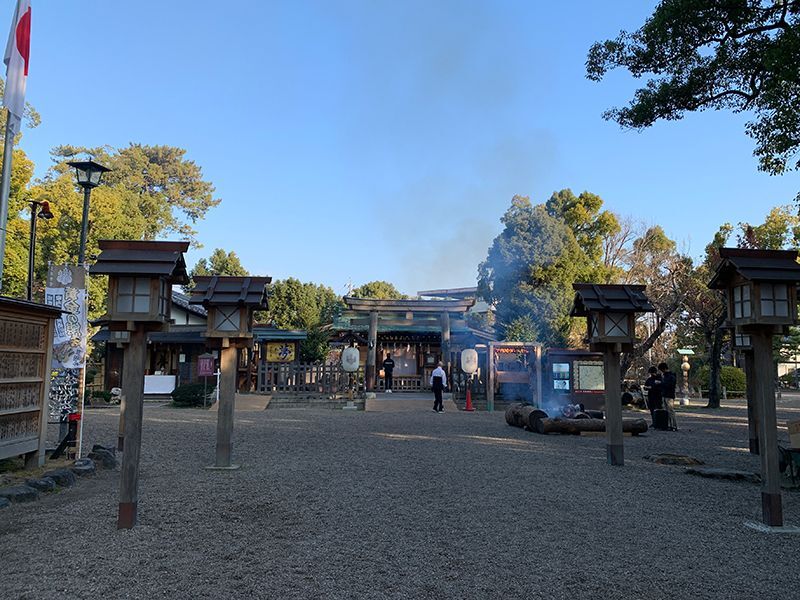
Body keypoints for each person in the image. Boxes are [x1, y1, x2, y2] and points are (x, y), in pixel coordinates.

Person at [658, 362, 679, 431]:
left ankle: (674, 425)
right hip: (665, 394)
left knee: (671, 411)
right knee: (667, 411)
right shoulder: (666, 376)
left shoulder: (670, 376)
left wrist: (661, 383)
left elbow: (670, 385)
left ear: (663, 369)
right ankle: (669, 425)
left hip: (669, 395)